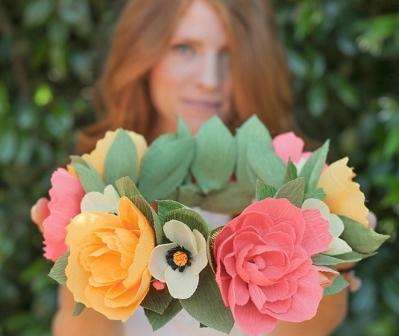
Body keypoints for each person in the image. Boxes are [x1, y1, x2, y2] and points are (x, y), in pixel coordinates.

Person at [33, 0, 353, 335]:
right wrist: (82, 270)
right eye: (185, 49)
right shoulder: (98, 188)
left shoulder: (294, 190)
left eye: (229, 54)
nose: (210, 80)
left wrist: (334, 263)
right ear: (143, 53)